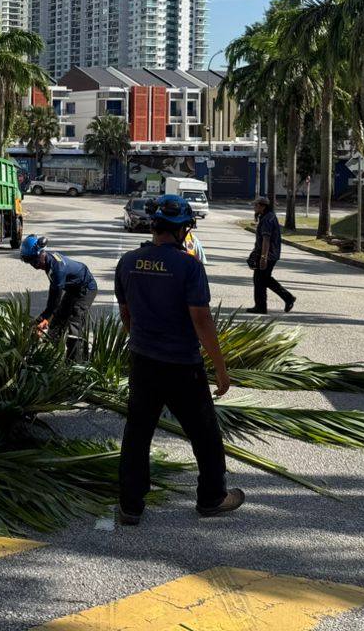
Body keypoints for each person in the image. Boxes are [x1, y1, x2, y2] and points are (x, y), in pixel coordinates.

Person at [114, 194, 243, 526]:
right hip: (182, 366)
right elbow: (201, 320)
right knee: (204, 434)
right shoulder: (189, 266)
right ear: (183, 229)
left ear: (155, 227)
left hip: (143, 361)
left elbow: (126, 314)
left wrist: (140, 340)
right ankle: (212, 497)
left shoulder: (128, 261)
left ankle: (130, 505)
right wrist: (221, 369)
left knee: (137, 433)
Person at [19, 234, 97, 361]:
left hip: (86, 289)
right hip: (73, 289)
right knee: (57, 320)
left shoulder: (57, 269)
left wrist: (44, 318)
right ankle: (51, 356)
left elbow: (55, 300)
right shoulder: (48, 263)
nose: (33, 265)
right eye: (29, 262)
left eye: (34, 260)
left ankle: (75, 363)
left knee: (75, 322)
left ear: (41, 253)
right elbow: (52, 300)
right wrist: (43, 318)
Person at [249, 196, 295, 314]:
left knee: (260, 279)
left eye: (256, 205)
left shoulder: (267, 219)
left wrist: (263, 257)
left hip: (268, 254)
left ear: (263, 206)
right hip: (269, 254)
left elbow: (266, 239)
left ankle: (262, 306)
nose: (254, 207)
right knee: (264, 279)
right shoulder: (267, 216)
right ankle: (286, 298)